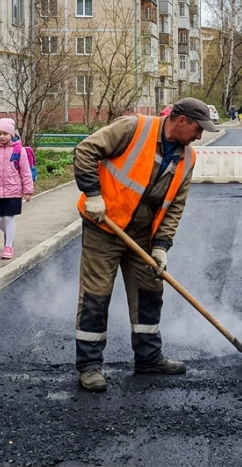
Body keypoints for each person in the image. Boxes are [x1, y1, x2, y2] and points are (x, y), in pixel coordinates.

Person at [71, 98, 216, 392]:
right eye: (198, 129)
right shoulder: (133, 128)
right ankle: (89, 366)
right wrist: (93, 195)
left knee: (150, 292)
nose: (199, 137)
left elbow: (175, 206)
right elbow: (85, 151)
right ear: (181, 121)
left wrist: (161, 246)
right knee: (96, 296)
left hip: (142, 235)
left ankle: (148, 358)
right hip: (105, 226)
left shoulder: (187, 158)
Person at [0, 118, 34, 260]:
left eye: (5, 133)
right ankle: (9, 235)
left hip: (14, 190)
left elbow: (25, 171)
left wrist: (28, 190)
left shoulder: (19, 150)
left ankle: (8, 246)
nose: (2, 136)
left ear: (12, 134)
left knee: (9, 218)